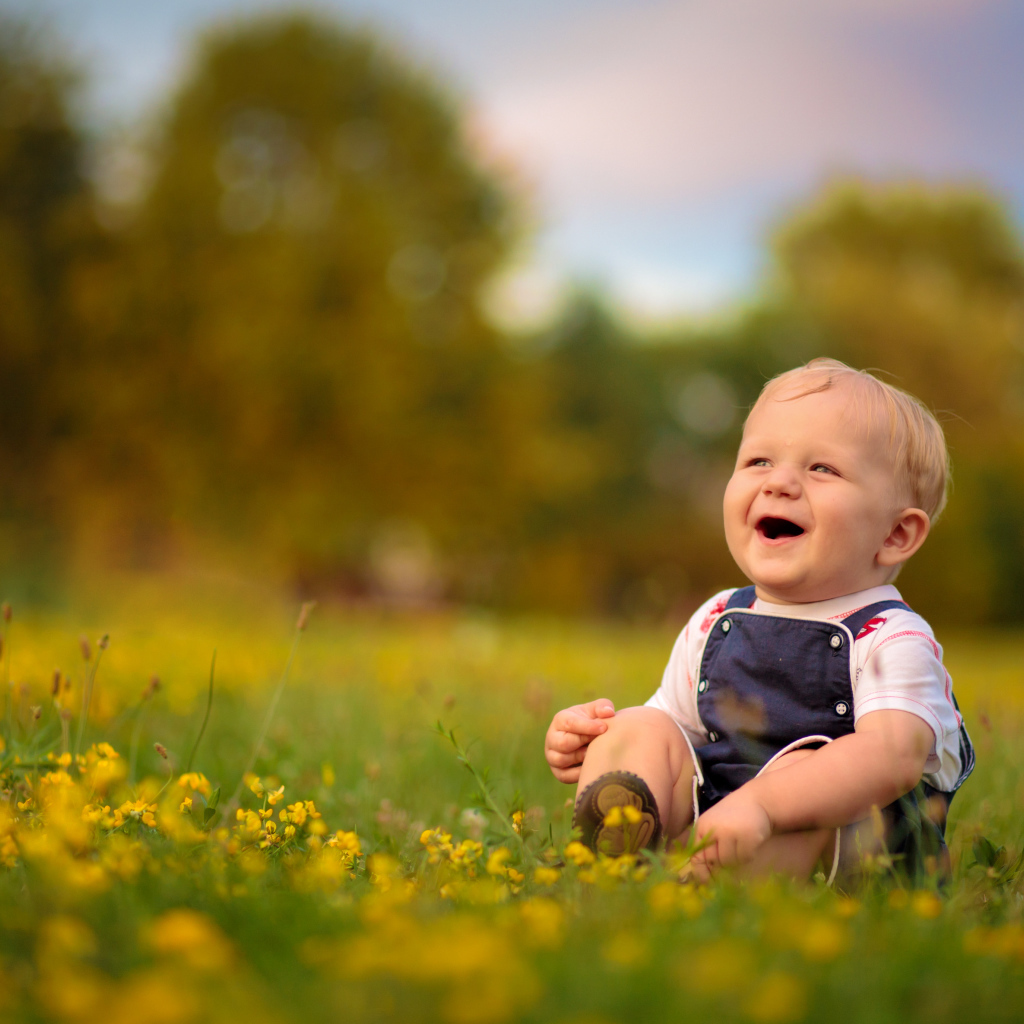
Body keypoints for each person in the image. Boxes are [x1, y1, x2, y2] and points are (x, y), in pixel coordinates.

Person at [544, 358, 974, 882]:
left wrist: (765, 806)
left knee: (812, 763)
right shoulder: (717, 618)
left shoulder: (891, 638)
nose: (780, 484)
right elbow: (680, 733)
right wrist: (597, 742)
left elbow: (893, 756)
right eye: (759, 462)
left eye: (822, 469)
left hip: (852, 854)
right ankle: (622, 843)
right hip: (723, 822)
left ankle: (690, 883)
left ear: (895, 535)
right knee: (642, 724)